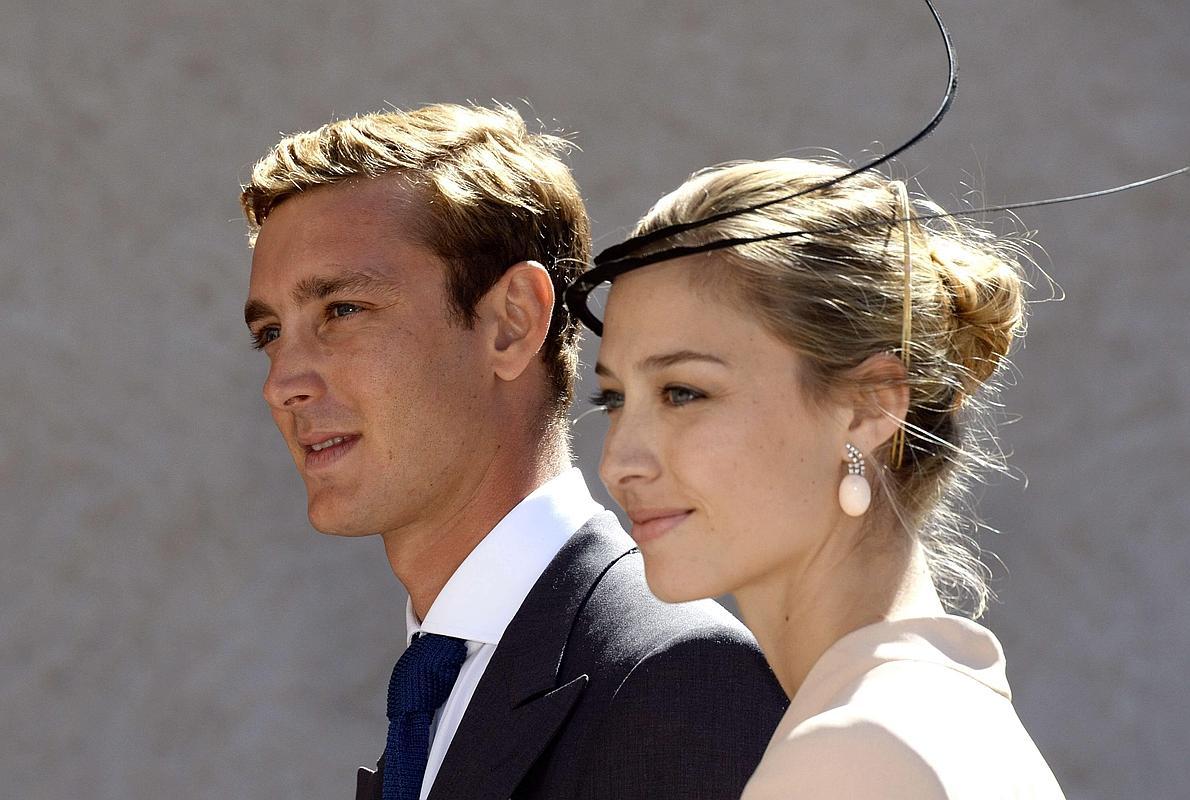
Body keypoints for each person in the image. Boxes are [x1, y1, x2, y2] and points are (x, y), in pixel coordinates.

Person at [237, 104, 787, 800]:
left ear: (511, 322)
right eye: (269, 335)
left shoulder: (678, 678)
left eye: (342, 311)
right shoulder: (441, 681)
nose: (281, 383)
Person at [577, 157, 1067, 798]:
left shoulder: (854, 753)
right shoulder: (935, 713)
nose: (618, 463)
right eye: (614, 400)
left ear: (867, 408)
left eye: (683, 393)